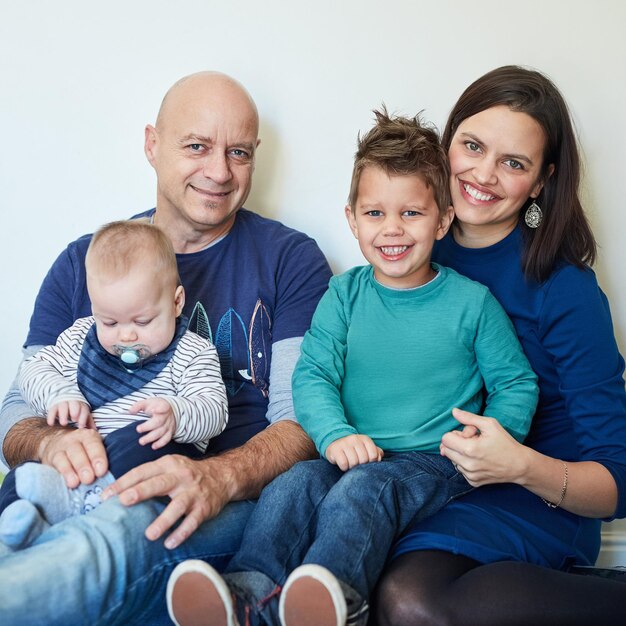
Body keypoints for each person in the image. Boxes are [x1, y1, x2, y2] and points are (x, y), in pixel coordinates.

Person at [165, 110, 538, 626]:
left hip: (432, 461)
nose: (392, 230)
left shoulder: (472, 304)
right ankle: (247, 594)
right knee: (292, 485)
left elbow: (515, 381)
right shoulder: (344, 295)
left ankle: (335, 599)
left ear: (444, 220)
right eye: (375, 213)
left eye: (411, 214)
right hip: (350, 449)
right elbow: (313, 375)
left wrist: (492, 437)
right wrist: (336, 433)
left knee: (364, 491)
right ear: (351, 218)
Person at [0, 71, 332, 625]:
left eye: (239, 152)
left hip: (220, 498)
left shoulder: (290, 260)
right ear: (152, 145)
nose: (220, 171)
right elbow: (16, 415)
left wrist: (218, 478)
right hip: (82, 478)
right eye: (197, 146)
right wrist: (51, 444)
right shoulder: (87, 262)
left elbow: (302, 423)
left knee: (108, 541)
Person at [370, 66, 626, 625]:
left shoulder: (565, 290)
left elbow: (616, 482)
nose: (483, 173)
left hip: (536, 493)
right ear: (447, 145)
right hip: (427, 482)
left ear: (539, 182)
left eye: (514, 163)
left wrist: (520, 466)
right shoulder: (407, 251)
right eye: (472, 145)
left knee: (408, 601)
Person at [0, 220, 228, 543]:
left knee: (143, 441)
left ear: (177, 302)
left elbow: (214, 409)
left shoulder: (193, 352)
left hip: (140, 462)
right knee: (21, 474)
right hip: (79, 460)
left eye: (143, 320)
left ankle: (80, 510)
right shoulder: (80, 338)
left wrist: (177, 415)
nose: (126, 335)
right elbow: (33, 370)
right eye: (109, 321)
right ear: (94, 309)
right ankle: (19, 521)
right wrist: (59, 396)